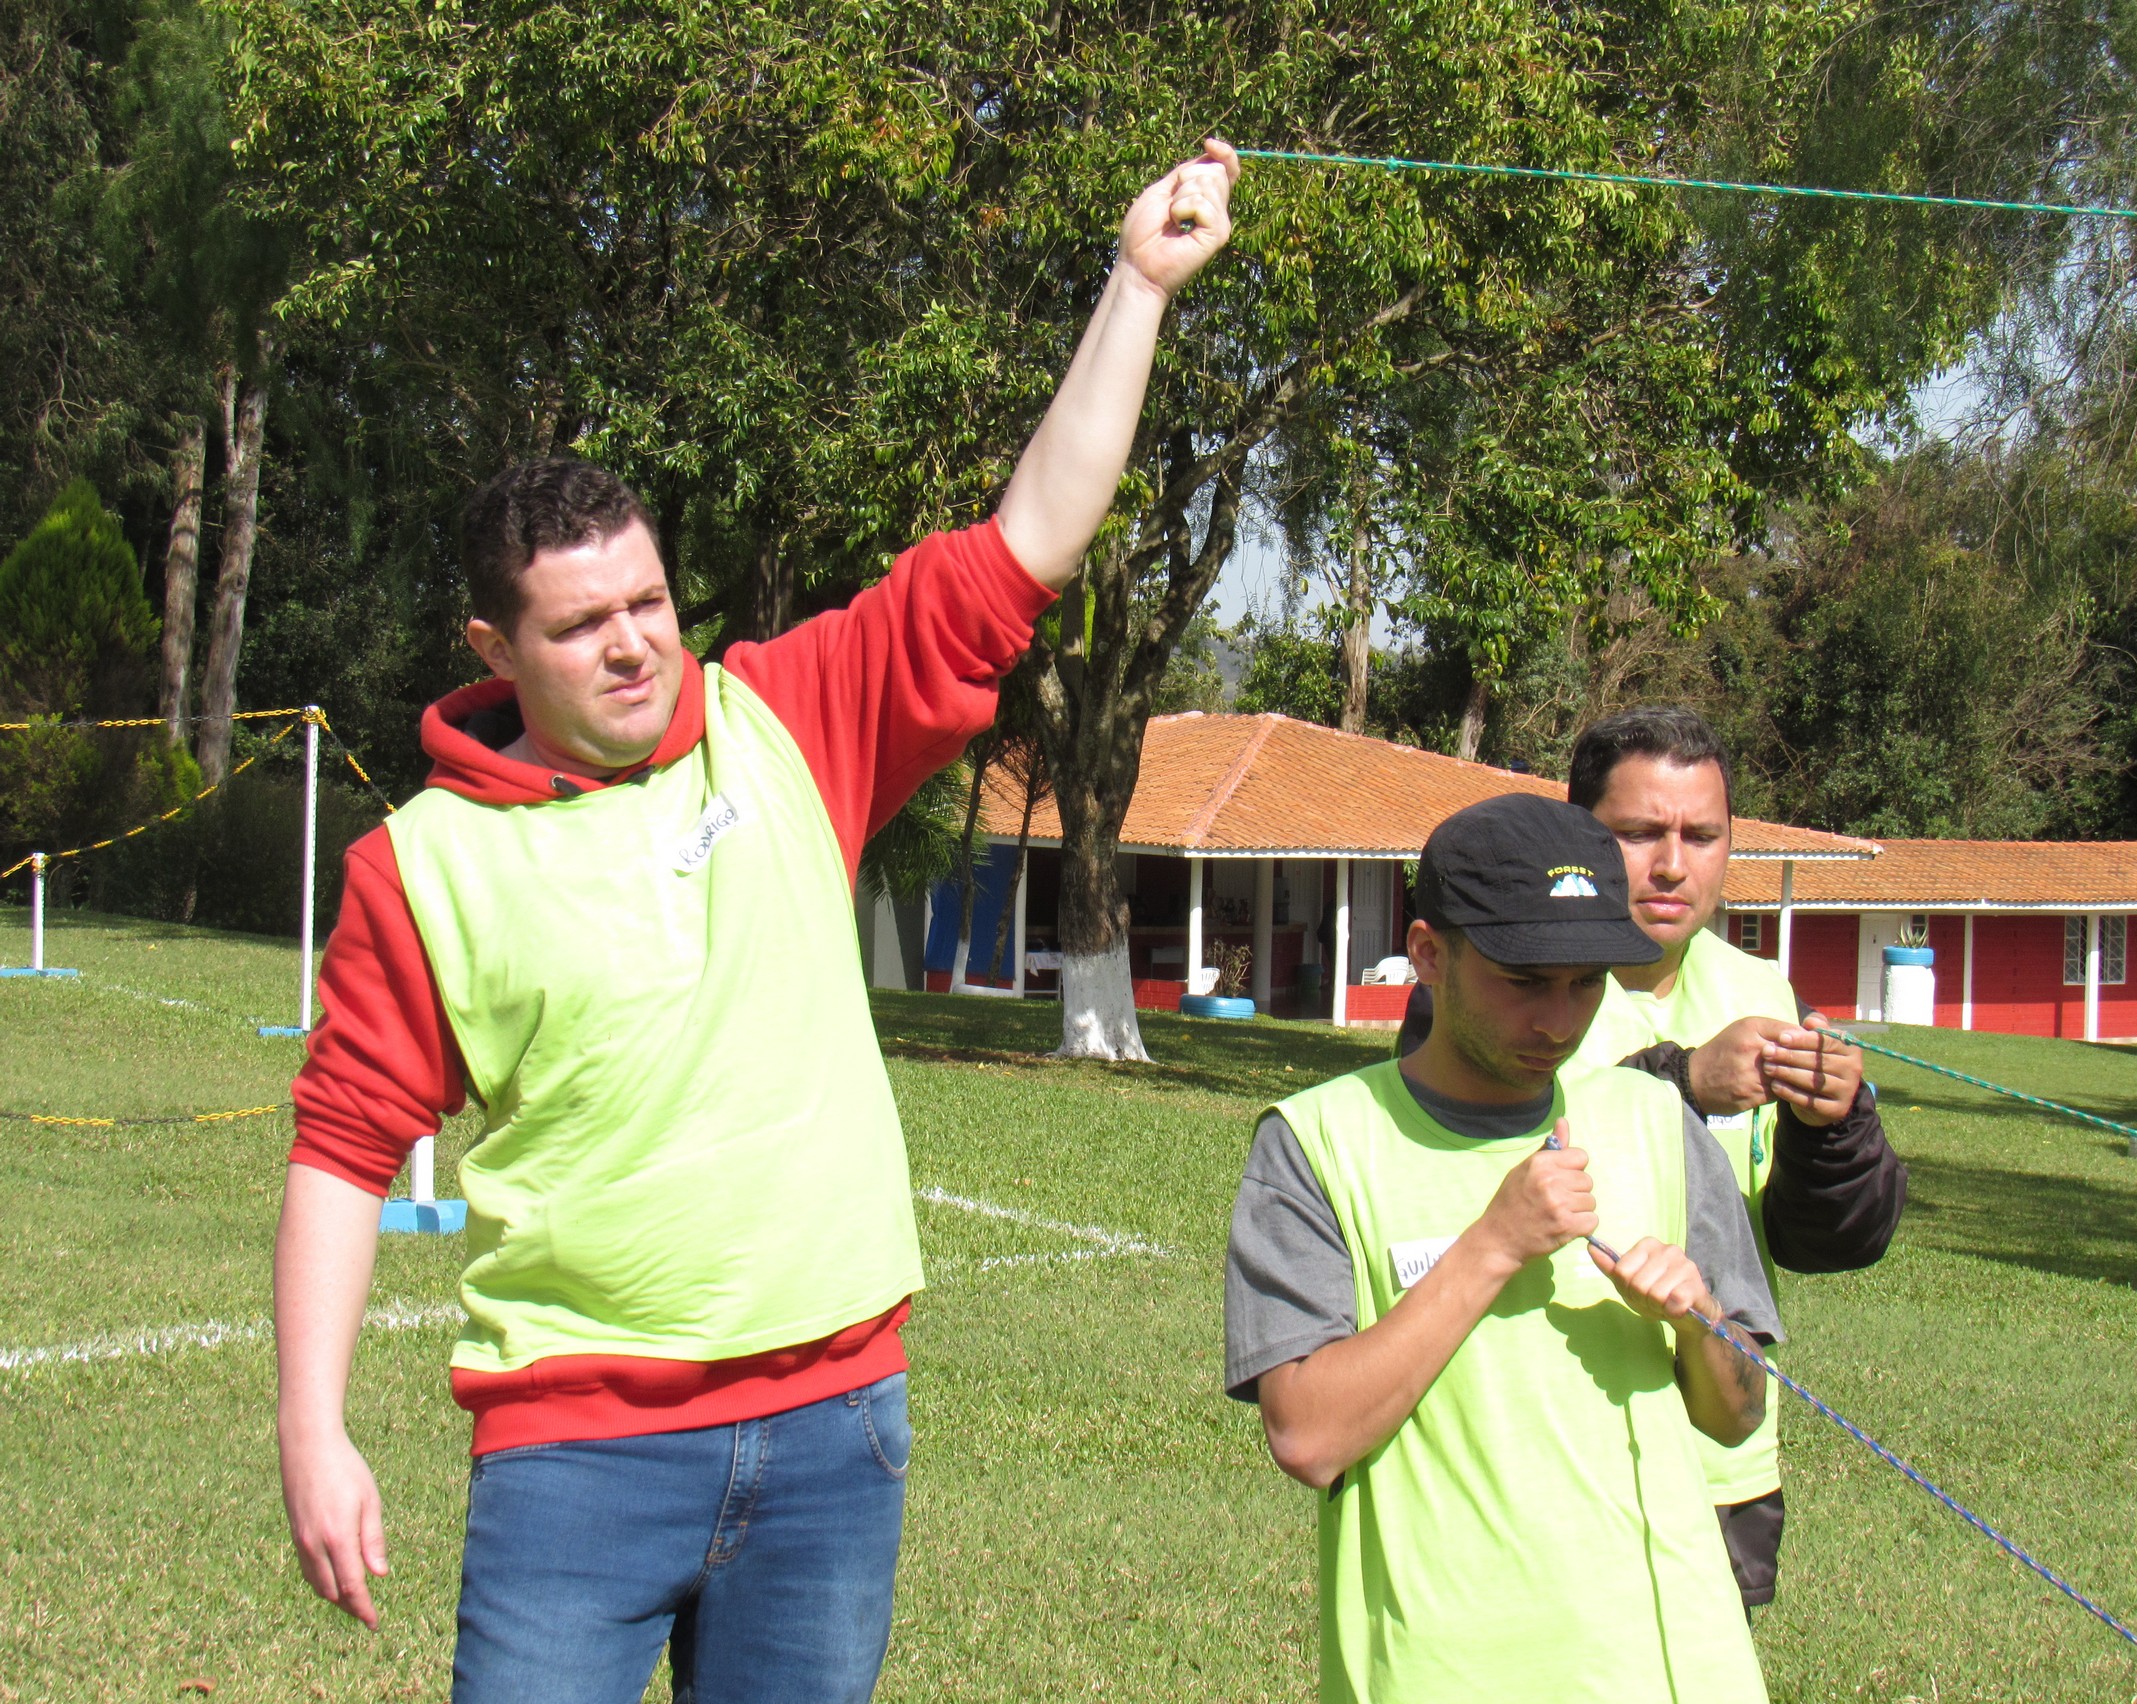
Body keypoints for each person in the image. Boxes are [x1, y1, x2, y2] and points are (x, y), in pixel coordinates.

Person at [275, 144, 1241, 1702]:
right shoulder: (424, 865)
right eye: (581, 625)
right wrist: (312, 1431)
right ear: (494, 647)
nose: (632, 646)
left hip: (834, 1437)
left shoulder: (785, 722)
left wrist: (1137, 285)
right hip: (574, 1459)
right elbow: (341, 1151)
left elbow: (1027, 544)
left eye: (648, 603)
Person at [1225, 793, 1782, 1704]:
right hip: (1446, 1675)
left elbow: (1737, 1417)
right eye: (1524, 981)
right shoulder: (1317, 1142)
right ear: (1429, 955)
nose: (1559, 1021)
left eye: (1587, 981)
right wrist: (1493, 1244)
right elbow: (1308, 1437)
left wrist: (1699, 1322)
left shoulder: (1656, 1120)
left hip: (1678, 1668)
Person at [1398, 706, 1904, 1608]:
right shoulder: (1481, 993)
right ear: (1579, 839)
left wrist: (1834, 1129)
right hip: (1547, 1449)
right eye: (1638, 834)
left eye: (1702, 836)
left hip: (1722, 1459)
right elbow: (1471, 1170)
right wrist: (1683, 1080)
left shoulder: (1762, 989)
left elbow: (1824, 1242)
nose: (1673, 864)